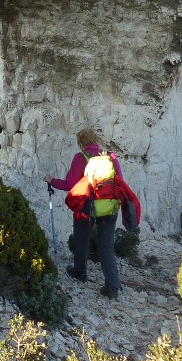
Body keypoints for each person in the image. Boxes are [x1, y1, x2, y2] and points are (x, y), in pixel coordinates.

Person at [44, 127, 132, 299]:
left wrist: (51, 180)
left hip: (87, 206)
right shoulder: (110, 157)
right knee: (106, 246)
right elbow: (119, 180)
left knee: (81, 238)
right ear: (96, 139)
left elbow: (70, 184)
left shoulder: (80, 158)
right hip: (109, 205)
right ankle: (112, 286)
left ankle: (80, 272)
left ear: (80, 144)